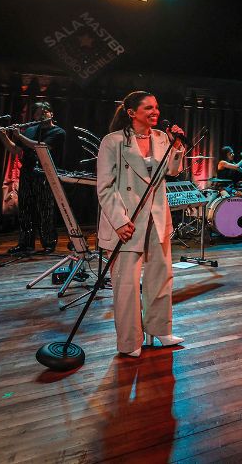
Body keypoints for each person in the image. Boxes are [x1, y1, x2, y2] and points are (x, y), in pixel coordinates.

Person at [96, 91, 186, 357]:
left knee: (161, 277)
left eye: (156, 107)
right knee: (126, 285)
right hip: (127, 221)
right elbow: (104, 187)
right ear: (132, 112)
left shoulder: (161, 138)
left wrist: (177, 145)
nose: (155, 112)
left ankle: (159, 330)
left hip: (157, 218)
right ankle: (130, 342)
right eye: (148, 108)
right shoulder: (112, 142)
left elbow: (172, 171)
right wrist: (119, 221)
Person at [0, 101, 66, 254]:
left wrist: (20, 135)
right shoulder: (30, 130)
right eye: (37, 113)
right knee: (25, 210)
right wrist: (3, 137)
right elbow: (16, 150)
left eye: (44, 112)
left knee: (45, 210)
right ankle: (25, 244)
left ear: (51, 114)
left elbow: (41, 147)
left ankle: (48, 243)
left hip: (45, 175)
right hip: (28, 174)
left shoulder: (58, 132)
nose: (41, 115)